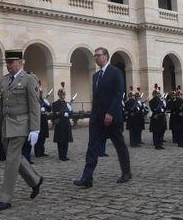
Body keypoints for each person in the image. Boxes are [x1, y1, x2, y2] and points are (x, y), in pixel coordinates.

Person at [0, 50, 43, 212]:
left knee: (11, 160)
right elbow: (1, 107)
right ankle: (35, 180)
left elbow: (35, 105)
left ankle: (5, 198)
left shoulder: (29, 79)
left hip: (21, 124)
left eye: (11, 62)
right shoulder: (5, 80)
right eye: (7, 62)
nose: (8, 65)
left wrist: (35, 128)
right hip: (7, 125)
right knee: (15, 157)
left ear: (21, 62)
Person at [74, 47, 131, 188]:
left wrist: (110, 113)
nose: (96, 58)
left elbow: (118, 95)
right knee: (92, 147)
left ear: (106, 56)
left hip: (112, 118)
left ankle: (126, 172)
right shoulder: (96, 76)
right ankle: (87, 177)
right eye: (94, 56)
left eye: (98, 55)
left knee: (119, 146)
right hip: (97, 119)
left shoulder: (115, 72)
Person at [52, 82, 73, 161]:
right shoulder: (55, 104)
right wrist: (63, 114)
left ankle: (65, 154)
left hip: (66, 123)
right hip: (60, 123)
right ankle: (61, 155)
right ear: (59, 95)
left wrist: (70, 111)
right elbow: (55, 114)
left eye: (64, 94)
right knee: (60, 140)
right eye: (61, 94)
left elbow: (71, 114)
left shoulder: (67, 104)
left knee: (66, 140)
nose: (63, 96)